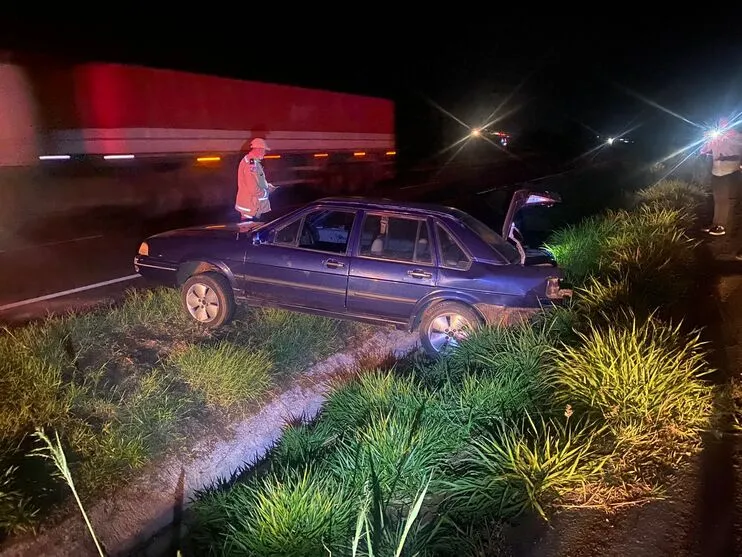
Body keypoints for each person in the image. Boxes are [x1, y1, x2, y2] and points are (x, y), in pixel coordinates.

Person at [700, 119, 742, 236]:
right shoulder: (716, 139)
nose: (723, 126)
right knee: (718, 200)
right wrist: (708, 141)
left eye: (725, 124)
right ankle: (716, 224)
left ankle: (724, 226)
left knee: (728, 201)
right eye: (721, 124)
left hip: (731, 172)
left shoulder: (738, 138)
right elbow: (703, 151)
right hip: (716, 172)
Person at [235, 137, 277, 221]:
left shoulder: (253, 162)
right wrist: (266, 192)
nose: (265, 153)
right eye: (264, 150)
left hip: (252, 208)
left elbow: (259, 181)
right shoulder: (251, 164)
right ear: (258, 149)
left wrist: (267, 186)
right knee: (251, 232)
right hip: (251, 209)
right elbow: (253, 189)